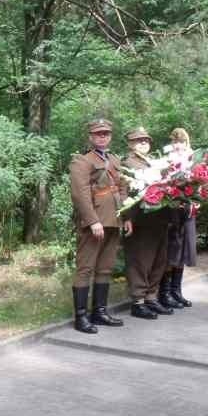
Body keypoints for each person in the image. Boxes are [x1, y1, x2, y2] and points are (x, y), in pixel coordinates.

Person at [68, 118, 131, 333]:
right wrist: (93, 220)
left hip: (114, 219)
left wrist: (126, 216)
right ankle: (81, 317)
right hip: (94, 222)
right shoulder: (82, 161)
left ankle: (100, 312)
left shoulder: (114, 159)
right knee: (86, 268)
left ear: (110, 136)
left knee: (105, 267)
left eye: (105, 133)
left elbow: (123, 189)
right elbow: (80, 194)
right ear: (91, 137)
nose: (102, 136)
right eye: (98, 134)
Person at [122, 126, 173, 319]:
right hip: (140, 220)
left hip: (159, 219)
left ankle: (151, 297)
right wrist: (126, 217)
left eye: (146, 140)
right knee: (140, 261)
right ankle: (138, 302)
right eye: (139, 140)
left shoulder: (155, 162)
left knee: (159, 260)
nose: (144, 142)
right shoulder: (127, 163)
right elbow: (123, 193)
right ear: (130, 143)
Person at [161, 127, 196, 309]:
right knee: (171, 249)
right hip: (172, 209)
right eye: (175, 141)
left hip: (187, 210)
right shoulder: (167, 159)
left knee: (183, 250)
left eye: (181, 141)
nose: (178, 145)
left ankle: (176, 291)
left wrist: (196, 197)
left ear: (186, 142)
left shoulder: (192, 158)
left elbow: (198, 185)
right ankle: (165, 292)